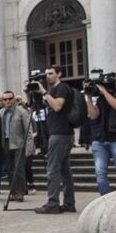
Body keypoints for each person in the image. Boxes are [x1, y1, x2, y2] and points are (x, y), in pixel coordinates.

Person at [34, 66, 77, 214]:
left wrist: (44, 91)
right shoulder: (53, 91)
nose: (48, 77)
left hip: (60, 133)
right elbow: (38, 107)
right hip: (60, 133)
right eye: (46, 74)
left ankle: (53, 203)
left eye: (51, 73)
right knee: (65, 170)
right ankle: (69, 203)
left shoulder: (62, 88)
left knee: (52, 169)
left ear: (59, 74)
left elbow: (58, 106)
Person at [0, 91, 32, 202]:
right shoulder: (1, 113)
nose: (8, 101)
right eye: (5, 99)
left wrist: (29, 147)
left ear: (14, 99)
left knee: (19, 168)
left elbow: (28, 131)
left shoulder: (22, 112)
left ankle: (20, 192)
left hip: (19, 144)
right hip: (6, 143)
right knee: (10, 169)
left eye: (10, 98)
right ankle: (13, 192)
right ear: (2, 101)